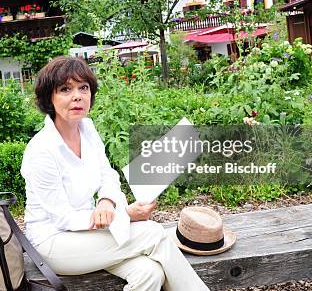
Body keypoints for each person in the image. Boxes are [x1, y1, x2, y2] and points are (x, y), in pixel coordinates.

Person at [21, 56, 209, 291]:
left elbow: (107, 175)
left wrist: (107, 202)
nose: (77, 95)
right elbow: (63, 218)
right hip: (53, 244)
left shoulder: (86, 129)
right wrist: (125, 215)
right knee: (152, 232)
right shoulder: (42, 150)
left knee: (149, 273)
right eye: (65, 89)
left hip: (89, 234)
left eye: (84, 88)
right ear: (50, 97)